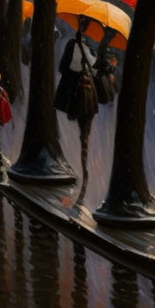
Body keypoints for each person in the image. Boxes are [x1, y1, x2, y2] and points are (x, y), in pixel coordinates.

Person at [54, 16, 99, 206]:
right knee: (78, 135)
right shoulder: (75, 45)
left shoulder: (88, 48)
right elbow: (63, 67)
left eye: (85, 25)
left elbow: (67, 68)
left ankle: (82, 170)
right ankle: (80, 169)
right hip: (77, 97)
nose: (84, 28)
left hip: (83, 97)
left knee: (83, 136)